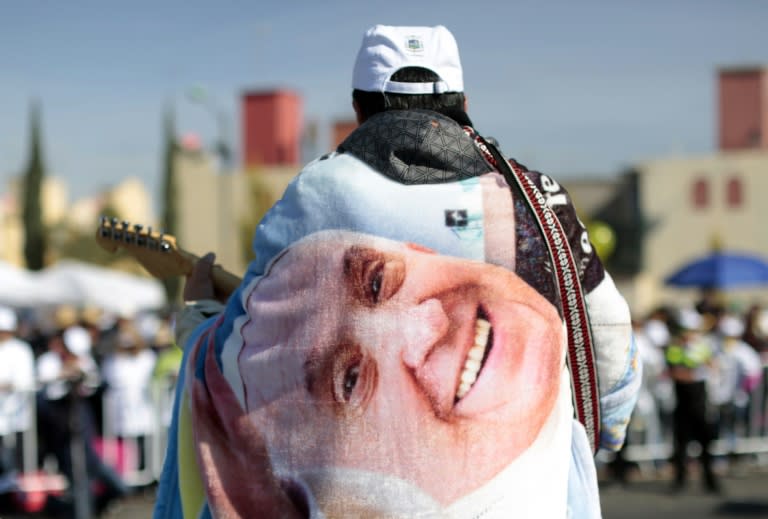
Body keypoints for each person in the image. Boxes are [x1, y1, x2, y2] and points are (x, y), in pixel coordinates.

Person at [155, 25, 639, 519]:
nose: (423, 327)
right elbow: (611, 359)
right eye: (351, 380)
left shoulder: (314, 195)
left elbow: (239, 360)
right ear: (463, 101)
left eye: (376, 281)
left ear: (359, 109)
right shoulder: (535, 200)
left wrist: (199, 321)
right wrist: (593, 436)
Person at [664, 308, 721, 493]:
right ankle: (679, 481)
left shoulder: (701, 347)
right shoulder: (675, 347)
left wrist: (699, 370)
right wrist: (695, 373)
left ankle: (710, 481)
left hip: (700, 403)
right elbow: (676, 372)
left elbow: (712, 365)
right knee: (681, 445)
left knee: (705, 445)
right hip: (683, 403)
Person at [0, 306, 36, 489]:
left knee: (13, 458)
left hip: (15, 415)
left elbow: (26, 381)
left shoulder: (21, 350)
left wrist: (8, 385)